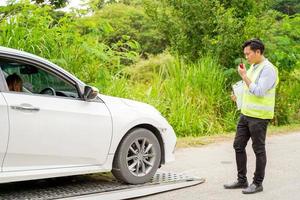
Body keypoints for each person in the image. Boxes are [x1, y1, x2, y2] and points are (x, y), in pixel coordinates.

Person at [224, 39, 279, 194]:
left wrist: (243, 76)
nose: (246, 57)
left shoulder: (268, 69)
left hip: (259, 117)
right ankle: (242, 180)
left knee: (258, 150)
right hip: (246, 114)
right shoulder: (253, 67)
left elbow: (259, 91)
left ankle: (257, 183)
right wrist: (238, 96)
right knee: (238, 145)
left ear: (258, 52)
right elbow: (248, 89)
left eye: (248, 54)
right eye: (245, 54)